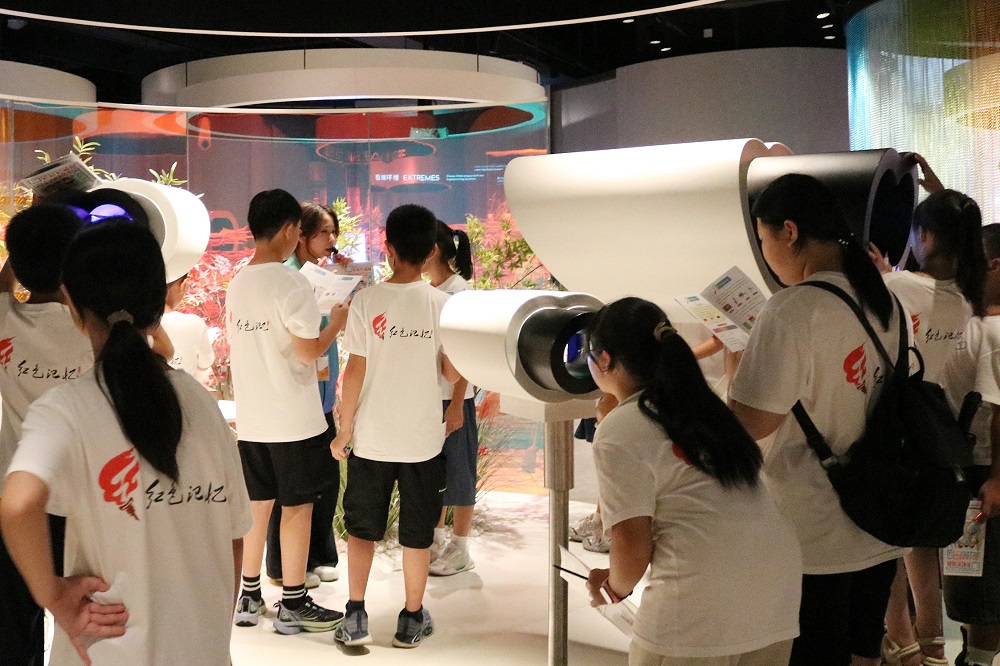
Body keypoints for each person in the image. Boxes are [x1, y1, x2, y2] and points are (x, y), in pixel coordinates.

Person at [0, 220, 252, 666]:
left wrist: (54, 596)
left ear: (72, 302)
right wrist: (213, 630)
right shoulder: (202, 404)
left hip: (106, 650)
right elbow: (234, 535)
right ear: (159, 306)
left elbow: (18, 505)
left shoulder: (66, 408)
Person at [728, 173, 908, 666]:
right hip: (878, 520)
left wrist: (733, 371)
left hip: (812, 534)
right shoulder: (886, 301)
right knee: (863, 654)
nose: (765, 254)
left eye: (763, 239)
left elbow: (751, 425)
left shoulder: (791, 310)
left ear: (789, 231)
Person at [584, 297, 801, 666]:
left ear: (604, 359)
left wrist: (610, 589)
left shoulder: (619, 428)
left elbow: (632, 547)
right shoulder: (706, 407)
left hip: (697, 605)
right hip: (775, 595)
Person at [331, 203, 459, 648]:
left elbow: (355, 370)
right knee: (417, 535)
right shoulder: (443, 306)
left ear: (387, 247)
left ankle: (355, 614)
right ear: (432, 252)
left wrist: (345, 429)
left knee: (362, 528)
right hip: (423, 440)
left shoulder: (367, 301)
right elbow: (452, 372)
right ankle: (411, 618)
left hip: (372, 439)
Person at [875, 183, 986, 666]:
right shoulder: (967, 298)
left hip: (896, 428)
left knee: (887, 542)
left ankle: (904, 645)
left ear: (926, 236)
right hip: (938, 433)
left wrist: (882, 275)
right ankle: (934, 644)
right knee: (920, 544)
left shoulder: (898, 287)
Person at [226, 189, 346, 634]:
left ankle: (249, 596)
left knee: (257, 507)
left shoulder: (238, 282)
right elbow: (307, 352)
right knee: (297, 507)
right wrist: (336, 324)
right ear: (288, 230)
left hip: (253, 419)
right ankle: (293, 603)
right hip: (294, 421)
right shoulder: (292, 283)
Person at [0, 204, 90, 666]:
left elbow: (4, 284)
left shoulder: (4, 319)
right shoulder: (90, 331)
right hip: (80, 502)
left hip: (14, 498)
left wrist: (20, 251)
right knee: (84, 618)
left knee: (16, 623)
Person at [265, 202, 350, 588]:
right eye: (324, 232)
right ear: (302, 235)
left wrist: (347, 277)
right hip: (294, 393)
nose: (331, 239)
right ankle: (282, 566)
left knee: (325, 479)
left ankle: (320, 556)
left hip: (323, 391)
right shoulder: (287, 277)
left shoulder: (325, 274)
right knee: (291, 487)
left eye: (334, 232)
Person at [938, 222, 1000, 666]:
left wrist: (996, 479)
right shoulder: (978, 324)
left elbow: (999, 412)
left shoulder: (988, 329)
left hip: (979, 471)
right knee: (977, 584)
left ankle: (975, 659)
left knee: (982, 589)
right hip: (976, 470)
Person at [423, 220, 479, 576]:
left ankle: (460, 547)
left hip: (455, 398)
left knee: (460, 472)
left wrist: (458, 403)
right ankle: (436, 539)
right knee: (436, 472)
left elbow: (467, 354)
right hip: (432, 396)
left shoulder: (460, 292)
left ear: (433, 251)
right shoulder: (432, 289)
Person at [161, 272, 215, 388]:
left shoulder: (137, 325)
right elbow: (205, 364)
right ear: (183, 285)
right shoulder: (194, 324)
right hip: (185, 395)